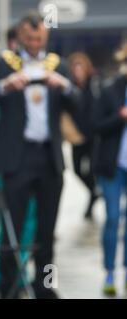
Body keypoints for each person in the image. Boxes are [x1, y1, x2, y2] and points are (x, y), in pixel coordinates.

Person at [0, 11, 81, 299]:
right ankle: (8, 284)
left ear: (46, 37)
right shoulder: (3, 64)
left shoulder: (57, 65)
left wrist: (66, 86)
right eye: (29, 37)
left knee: (47, 232)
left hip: (48, 157)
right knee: (13, 228)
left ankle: (45, 285)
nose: (34, 42)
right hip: (16, 158)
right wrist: (5, 85)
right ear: (20, 36)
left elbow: (80, 105)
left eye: (39, 38)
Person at [93, 42, 127, 297]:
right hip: (113, 165)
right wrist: (121, 116)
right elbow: (96, 125)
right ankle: (109, 271)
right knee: (113, 218)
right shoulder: (110, 88)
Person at [68, 52, 101, 220]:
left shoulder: (93, 85)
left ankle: (92, 199)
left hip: (92, 136)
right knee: (77, 169)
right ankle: (94, 191)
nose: (78, 72)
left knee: (92, 169)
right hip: (77, 136)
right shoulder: (71, 87)